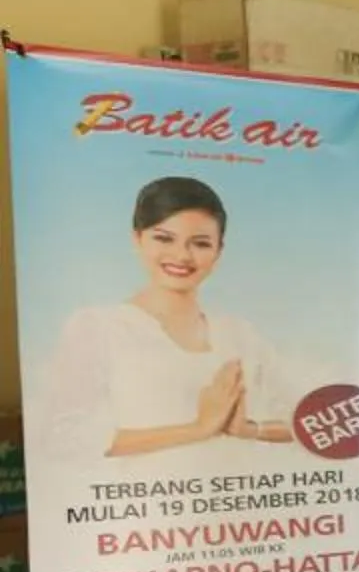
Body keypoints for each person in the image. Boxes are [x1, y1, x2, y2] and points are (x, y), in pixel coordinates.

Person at [34, 178, 300, 466]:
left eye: (200, 243)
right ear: (137, 239)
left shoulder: (239, 334)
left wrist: (250, 430)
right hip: (147, 503)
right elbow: (63, 437)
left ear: (218, 252)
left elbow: (307, 422)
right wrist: (198, 429)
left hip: (240, 501)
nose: (181, 256)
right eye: (164, 238)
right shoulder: (100, 327)